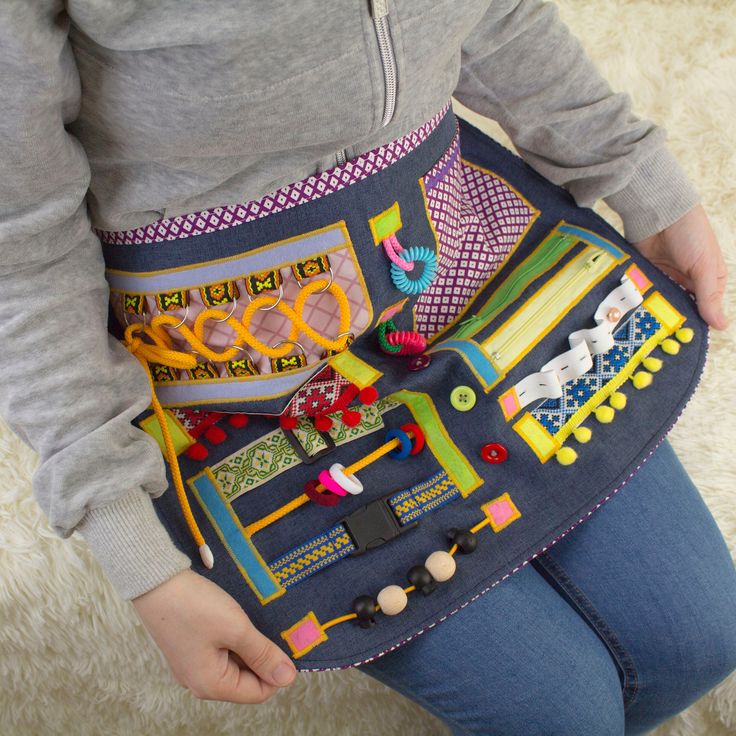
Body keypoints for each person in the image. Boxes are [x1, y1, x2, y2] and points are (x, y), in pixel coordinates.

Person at [0, 1, 732, 734]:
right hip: (249, 390)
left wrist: (637, 175)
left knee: (700, 638)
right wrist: (137, 554)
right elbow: (19, 243)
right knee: (554, 711)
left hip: (468, 271)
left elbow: (493, 14)